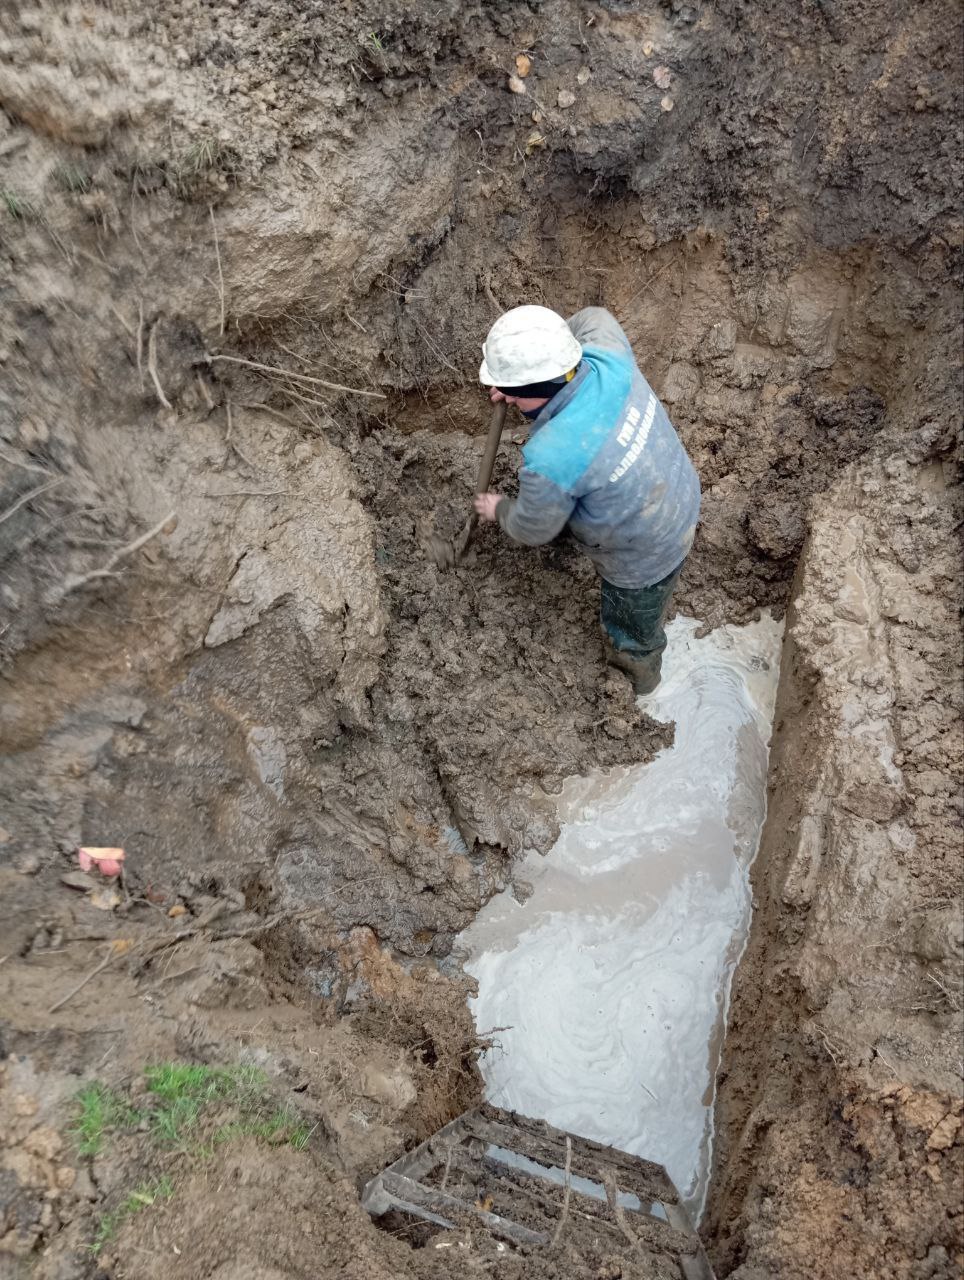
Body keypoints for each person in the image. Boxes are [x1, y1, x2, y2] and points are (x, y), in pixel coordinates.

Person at [473, 304, 700, 694]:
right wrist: (519, 380)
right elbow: (590, 316)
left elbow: (533, 527)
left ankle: (639, 681)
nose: (507, 401)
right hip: (677, 490)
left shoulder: (551, 457)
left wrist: (500, 509)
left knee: (631, 627)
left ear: (529, 390)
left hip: (645, 555)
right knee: (579, 488)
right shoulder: (606, 344)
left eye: (513, 395)